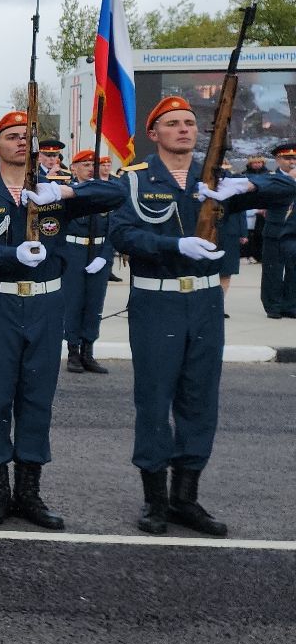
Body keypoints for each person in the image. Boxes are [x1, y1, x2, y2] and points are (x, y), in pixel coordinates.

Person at [107, 97, 296, 536]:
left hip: (206, 303)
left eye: (190, 123)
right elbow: (121, 233)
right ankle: (155, 500)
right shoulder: (134, 179)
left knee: (200, 400)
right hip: (158, 302)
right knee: (154, 401)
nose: (183, 129)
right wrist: (172, 245)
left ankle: (185, 498)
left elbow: (286, 187)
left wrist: (244, 186)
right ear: (153, 134)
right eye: (172, 123)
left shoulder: (216, 179)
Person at [0, 113, 123, 529]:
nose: (21, 142)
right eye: (12, 137)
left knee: (37, 399)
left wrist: (62, 189)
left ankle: (29, 492)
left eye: (26, 137)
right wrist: (10, 256)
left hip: (46, 305)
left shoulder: (53, 190)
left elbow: (114, 194)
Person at [60, 152, 116, 373]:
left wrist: (105, 256)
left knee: (95, 303)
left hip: (99, 252)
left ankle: (88, 351)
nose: (90, 168)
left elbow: (115, 228)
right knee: (73, 302)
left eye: (93, 164)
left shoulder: (105, 193)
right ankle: (73, 351)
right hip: (73, 252)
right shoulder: (66, 193)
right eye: (85, 164)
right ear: (73, 168)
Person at [262, 141, 296, 319]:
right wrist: (289, 179)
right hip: (276, 230)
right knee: (273, 270)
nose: (292, 162)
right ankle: (273, 305)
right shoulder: (271, 178)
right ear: (277, 159)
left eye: (295, 158)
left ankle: (290, 305)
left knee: (293, 270)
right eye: (288, 158)